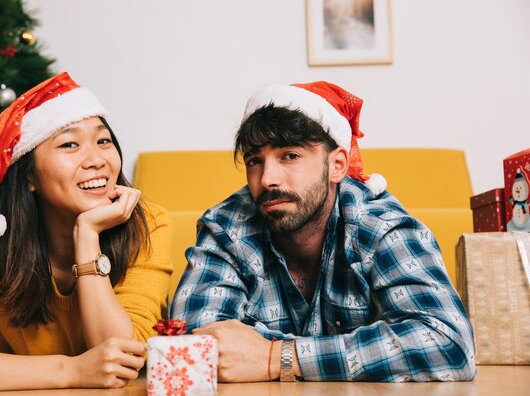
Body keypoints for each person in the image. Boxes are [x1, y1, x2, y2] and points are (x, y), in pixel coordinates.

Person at [170, 81, 476, 383]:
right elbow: (193, 345)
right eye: (254, 161)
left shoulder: (381, 227)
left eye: (290, 155)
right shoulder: (226, 227)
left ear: (337, 165)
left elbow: (448, 342)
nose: (267, 179)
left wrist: (275, 357)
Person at [0, 72, 173, 392]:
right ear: (29, 176)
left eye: (103, 140)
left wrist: (87, 237)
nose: (96, 159)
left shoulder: (149, 224)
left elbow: (121, 361)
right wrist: (69, 371)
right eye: (70, 144)